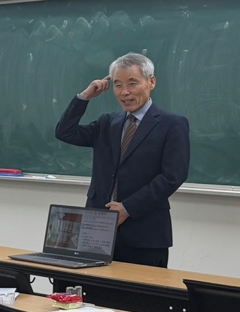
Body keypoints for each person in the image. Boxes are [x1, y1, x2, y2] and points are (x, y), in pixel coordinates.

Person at [55, 52, 191, 268]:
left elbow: (173, 176)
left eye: (132, 83)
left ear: (151, 82)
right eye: (118, 85)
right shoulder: (107, 122)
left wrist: (128, 208)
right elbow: (65, 132)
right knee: (93, 288)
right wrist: (84, 97)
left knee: (139, 289)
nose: (124, 92)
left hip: (144, 233)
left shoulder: (172, 124)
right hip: (97, 231)